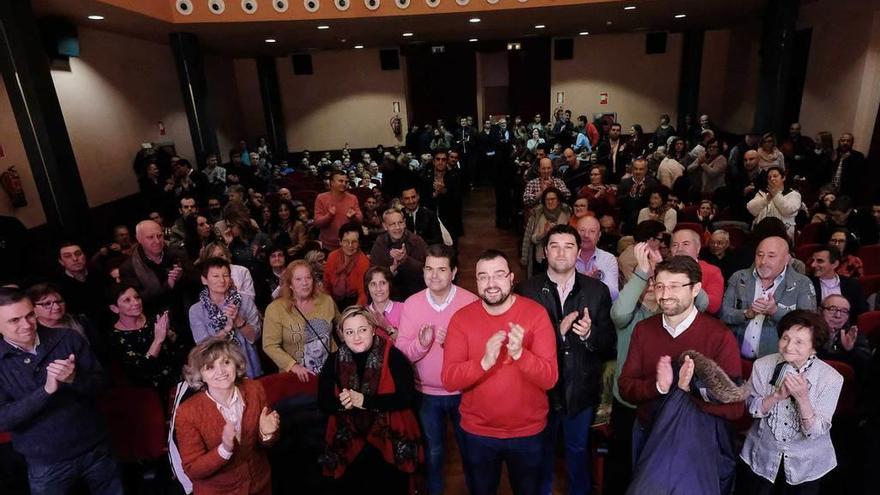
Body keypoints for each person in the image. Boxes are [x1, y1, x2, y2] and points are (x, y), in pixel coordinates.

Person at [618, 256, 743, 492]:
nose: (664, 294)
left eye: (675, 286)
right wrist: (658, 388)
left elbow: (735, 408)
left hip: (698, 444)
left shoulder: (719, 335)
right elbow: (626, 387)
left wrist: (691, 390)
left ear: (696, 289)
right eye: (660, 286)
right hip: (649, 433)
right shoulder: (644, 330)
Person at [442, 249, 558, 494]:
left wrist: (520, 355)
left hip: (528, 433)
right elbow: (449, 380)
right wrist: (483, 363)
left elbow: (549, 379)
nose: (491, 283)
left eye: (498, 275)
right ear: (476, 282)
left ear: (511, 278)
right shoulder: (461, 320)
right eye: (483, 277)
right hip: (478, 433)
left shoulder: (535, 314)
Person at [517, 224, 614, 495]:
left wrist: (589, 335)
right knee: (540, 453)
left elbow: (609, 346)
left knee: (578, 451)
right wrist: (556, 335)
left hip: (581, 388)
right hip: (539, 390)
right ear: (545, 252)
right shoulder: (526, 290)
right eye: (555, 246)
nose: (561, 252)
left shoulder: (597, 291)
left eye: (569, 246)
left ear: (578, 250)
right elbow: (518, 347)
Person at [0, 288, 122, 495]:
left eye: (30, 315)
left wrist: (74, 379)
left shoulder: (67, 338)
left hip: (95, 448)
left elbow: (102, 384)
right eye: (14, 320)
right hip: (45, 461)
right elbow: (3, 419)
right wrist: (45, 391)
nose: (27, 325)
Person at [395, 245, 479, 495]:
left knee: (469, 450)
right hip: (427, 392)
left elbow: (480, 355)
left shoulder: (470, 302)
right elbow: (402, 352)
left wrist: (453, 345)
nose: (434, 275)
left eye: (441, 269)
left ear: (453, 272)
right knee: (433, 451)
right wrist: (422, 344)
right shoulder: (412, 303)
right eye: (429, 269)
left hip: (463, 391)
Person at [318, 306, 422, 492]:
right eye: (350, 332)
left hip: (388, 438)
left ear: (373, 330)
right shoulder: (333, 360)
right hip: (350, 441)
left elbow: (406, 397)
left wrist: (366, 401)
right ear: (342, 335)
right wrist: (342, 403)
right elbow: (323, 403)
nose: (356, 337)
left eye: (362, 330)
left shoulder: (393, 355)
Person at [739, 310, 843, 495]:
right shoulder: (762, 365)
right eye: (785, 338)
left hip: (807, 467)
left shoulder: (831, 378)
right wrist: (776, 397)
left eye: (799, 342)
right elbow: (751, 409)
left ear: (814, 347)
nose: (788, 346)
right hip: (761, 456)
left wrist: (803, 398)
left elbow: (815, 432)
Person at [175, 338, 280, 495]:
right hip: (219, 491)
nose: (221, 372)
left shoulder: (254, 389)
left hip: (260, 484)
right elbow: (192, 470)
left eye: (226, 362)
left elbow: (266, 443)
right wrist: (224, 449)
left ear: (235, 364)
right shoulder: (187, 412)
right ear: (200, 375)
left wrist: (267, 434)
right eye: (210, 367)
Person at [721, 236, 817, 359]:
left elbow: (808, 323)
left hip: (777, 362)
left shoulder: (802, 283)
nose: (763, 261)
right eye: (759, 255)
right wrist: (747, 313)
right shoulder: (739, 277)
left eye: (771, 256)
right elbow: (723, 314)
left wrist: (774, 311)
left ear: (786, 259)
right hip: (735, 357)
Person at [263, 260, 338, 380]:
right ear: (290, 284)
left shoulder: (327, 301)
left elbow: (342, 327)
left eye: (308, 278)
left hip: (330, 371)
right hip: (297, 377)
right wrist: (293, 366)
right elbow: (270, 345)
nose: (305, 283)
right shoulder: (275, 309)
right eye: (298, 279)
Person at [189, 257, 263, 379]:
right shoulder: (196, 310)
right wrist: (226, 330)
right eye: (216, 276)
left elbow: (256, 336)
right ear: (204, 280)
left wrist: (240, 322)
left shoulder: (245, 301)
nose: (222, 280)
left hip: (248, 367)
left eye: (225, 275)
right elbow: (203, 348)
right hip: (217, 372)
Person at [108, 284, 187, 393]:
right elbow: (144, 369)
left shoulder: (152, 317)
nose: (136, 303)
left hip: (179, 372)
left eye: (137, 297)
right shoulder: (116, 337)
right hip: (152, 387)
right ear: (114, 308)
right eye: (127, 300)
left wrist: (170, 334)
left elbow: (177, 347)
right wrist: (158, 340)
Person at [370, 208, 429, 300]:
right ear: (385, 226)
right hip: (389, 295)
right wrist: (391, 269)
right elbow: (373, 273)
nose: (397, 227)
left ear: (404, 222)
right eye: (392, 224)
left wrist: (406, 259)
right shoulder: (380, 243)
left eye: (400, 223)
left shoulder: (416, 241)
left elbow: (427, 270)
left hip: (415, 293)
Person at [670, 229, 723, 314]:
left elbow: (714, 306)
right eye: (675, 245)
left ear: (698, 248)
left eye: (685, 244)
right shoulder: (664, 270)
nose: (679, 249)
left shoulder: (712, 271)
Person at [817, 294, 872, 378]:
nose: (838, 315)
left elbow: (866, 369)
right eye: (832, 309)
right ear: (820, 311)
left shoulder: (855, 336)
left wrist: (850, 350)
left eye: (844, 311)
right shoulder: (807, 333)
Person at [521, 187, 572, 278]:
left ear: (558, 200)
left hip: (562, 256)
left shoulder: (567, 215)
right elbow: (531, 238)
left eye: (553, 199)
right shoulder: (537, 215)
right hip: (541, 258)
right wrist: (544, 233)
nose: (550, 202)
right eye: (547, 199)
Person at [808, 247, 866, 318]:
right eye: (813, 261)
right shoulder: (807, 284)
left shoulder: (853, 285)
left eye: (819, 261)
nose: (813, 265)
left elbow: (861, 313)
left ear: (835, 264)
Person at [324, 222, 370, 308]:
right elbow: (326, 285)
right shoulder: (332, 257)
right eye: (346, 241)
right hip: (332, 300)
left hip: (354, 302)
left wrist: (354, 313)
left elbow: (363, 294)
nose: (350, 245)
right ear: (340, 241)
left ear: (359, 243)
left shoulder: (363, 262)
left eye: (354, 242)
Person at [746, 167, 802, 239]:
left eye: (775, 176)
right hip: (760, 233)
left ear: (783, 178)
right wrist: (766, 199)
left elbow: (788, 210)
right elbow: (751, 209)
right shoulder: (762, 193)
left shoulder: (793, 194)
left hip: (784, 234)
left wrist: (776, 195)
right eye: (769, 177)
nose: (772, 179)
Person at [314, 170, 363, 250]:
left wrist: (353, 217)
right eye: (340, 181)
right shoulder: (321, 198)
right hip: (328, 246)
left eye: (346, 182)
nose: (344, 184)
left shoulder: (353, 198)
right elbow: (317, 223)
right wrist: (329, 215)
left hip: (349, 245)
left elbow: (360, 220)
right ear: (331, 183)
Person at [575, 214, 619, 300]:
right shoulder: (566, 258)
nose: (586, 235)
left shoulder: (608, 259)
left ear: (599, 235)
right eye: (582, 230)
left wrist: (594, 282)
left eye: (592, 231)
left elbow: (613, 294)